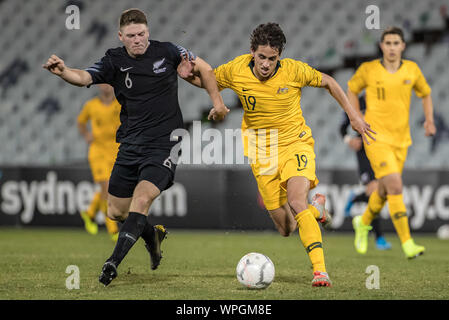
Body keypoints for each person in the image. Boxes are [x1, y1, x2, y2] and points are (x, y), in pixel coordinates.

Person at [43, 8, 228, 286]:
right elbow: (83, 77)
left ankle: (112, 263)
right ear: (121, 36)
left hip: (166, 142)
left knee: (141, 201)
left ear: (148, 32)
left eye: (141, 34)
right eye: (131, 36)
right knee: (116, 212)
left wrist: (217, 103)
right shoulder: (113, 60)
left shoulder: (167, 51)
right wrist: (63, 72)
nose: (137, 39)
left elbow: (206, 68)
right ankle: (152, 236)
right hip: (130, 144)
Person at [183, 23, 375, 287]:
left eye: (272, 59)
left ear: (279, 57)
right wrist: (187, 77)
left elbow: (329, 82)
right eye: (261, 57)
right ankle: (316, 210)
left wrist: (354, 115)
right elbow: (208, 79)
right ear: (252, 52)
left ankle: (320, 271)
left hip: (295, 143)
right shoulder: (237, 69)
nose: (266, 64)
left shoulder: (294, 70)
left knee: (296, 201)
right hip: (261, 152)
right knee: (286, 229)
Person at [347, 26, 436, 258]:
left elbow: (425, 93)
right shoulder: (369, 70)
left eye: (396, 43)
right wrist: (356, 118)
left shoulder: (412, 70)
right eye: (388, 43)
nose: (392, 47)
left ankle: (363, 222)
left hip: (401, 141)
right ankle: (408, 244)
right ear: (381, 46)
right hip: (376, 139)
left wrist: (429, 120)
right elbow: (351, 90)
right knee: (395, 186)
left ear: (403, 46)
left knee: (385, 191)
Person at [340, 94, 391, 250]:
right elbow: (342, 127)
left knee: (383, 192)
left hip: (381, 148)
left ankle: (356, 198)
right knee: (374, 193)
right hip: (364, 151)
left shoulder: (383, 97)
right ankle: (379, 237)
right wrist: (349, 140)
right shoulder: (357, 101)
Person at [77, 83, 121, 242]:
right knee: (107, 188)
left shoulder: (120, 104)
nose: (106, 86)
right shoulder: (91, 105)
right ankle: (113, 228)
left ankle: (89, 213)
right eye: (103, 83)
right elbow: (81, 122)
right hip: (97, 151)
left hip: (116, 150)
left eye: (109, 83)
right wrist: (86, 135)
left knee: (111, 188)